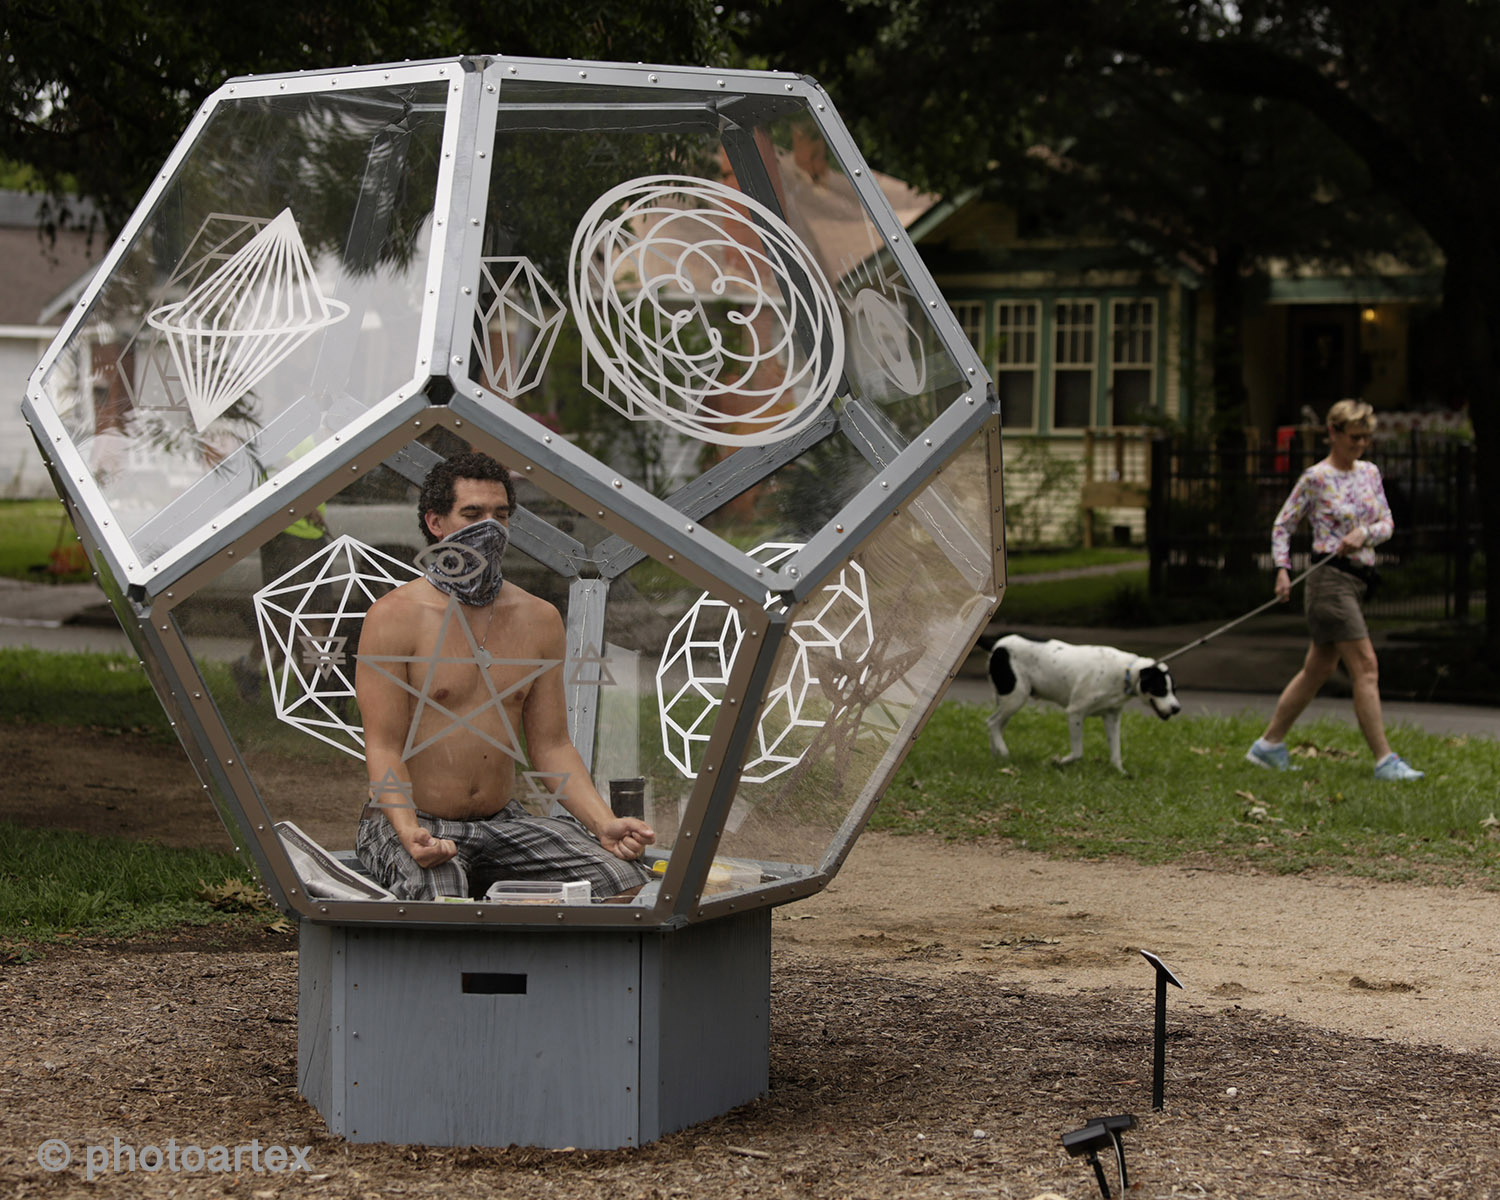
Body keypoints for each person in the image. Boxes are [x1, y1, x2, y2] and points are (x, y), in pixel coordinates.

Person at [354, 450, 654, 900]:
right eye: (472, 514)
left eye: (500, 515)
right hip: (411, 820)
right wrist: (408, 828)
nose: (489, 527)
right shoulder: (394, 616)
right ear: (436, 523)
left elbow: (552, 745)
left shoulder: (539, 618)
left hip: (502, 823)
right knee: (442, 897)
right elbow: (383, 746)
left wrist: (603, 822)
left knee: (623, 881)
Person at [1245, 400, 1424, 781]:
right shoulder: (1316, 478)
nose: (1360, 444)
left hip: (1358, 580)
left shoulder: (1370, 473)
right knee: (1366, 667)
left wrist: (1364, 534)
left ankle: (1268, 745)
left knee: (1319, 668)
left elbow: (1387, 523)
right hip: (1329, 583)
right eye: (1354, 437)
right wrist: (1282, 569)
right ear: (1333, 433)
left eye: (1366, 438)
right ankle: (1385, 760)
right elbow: (1283, 525)